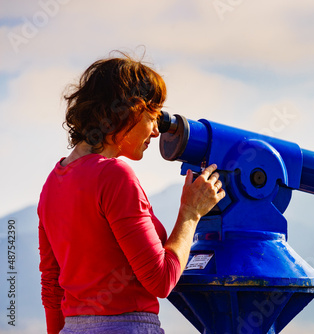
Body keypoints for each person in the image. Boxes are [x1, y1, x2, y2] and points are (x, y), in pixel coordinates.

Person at [37, 52, 225, 334]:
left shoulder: (52, 184)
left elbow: (53, 288)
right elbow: (161, 280)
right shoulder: (114, 175)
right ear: (129, 111)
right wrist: (191, 213)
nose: (155, 132)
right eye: (153, 116)